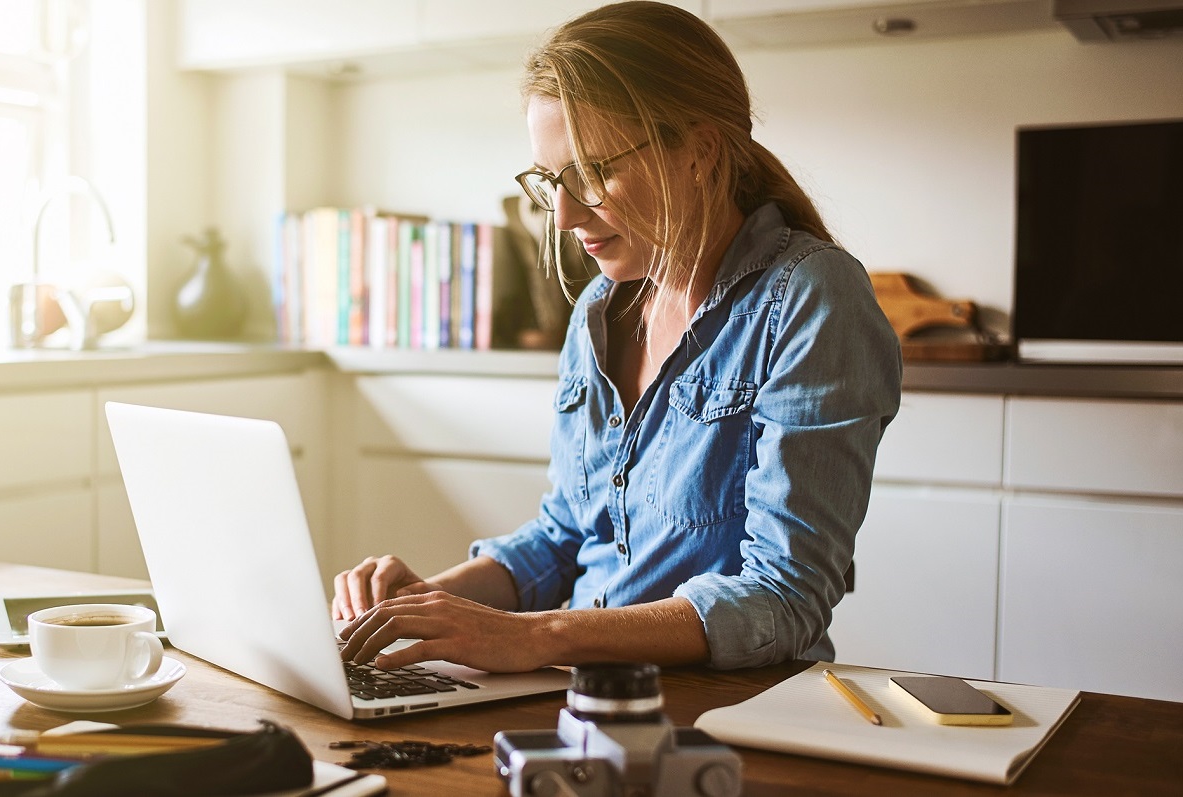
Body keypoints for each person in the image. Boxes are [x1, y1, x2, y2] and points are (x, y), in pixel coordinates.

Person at [334, 0, 901, 673]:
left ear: (698, 151)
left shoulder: (809, 297)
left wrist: (536, 637)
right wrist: (422, 604)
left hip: (727, 709)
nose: (565, 215)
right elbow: (565, 537)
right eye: (551, 183)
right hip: (580, 693)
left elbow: (784, 596)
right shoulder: (599, 312)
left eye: (594, 174)